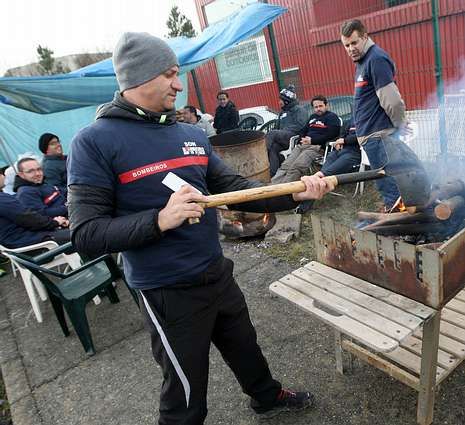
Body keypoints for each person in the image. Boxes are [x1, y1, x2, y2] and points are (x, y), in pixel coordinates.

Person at [67, 32, 334, 425]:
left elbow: (237, 191)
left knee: (245, 347)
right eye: (171, 74)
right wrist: (160, 220)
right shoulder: (94, 142)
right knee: (185, 392)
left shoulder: (191, 135)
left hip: (215, 272)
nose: (179, 84)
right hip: (166, 290)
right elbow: (86, 234)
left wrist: (294, 193)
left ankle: (266, 397)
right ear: (140, 77)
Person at [340, 19, 427, 212]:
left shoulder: (376, 59)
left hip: (380, 136)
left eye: (354, 43)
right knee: (386, 183)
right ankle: (403, 218)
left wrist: (400, 122)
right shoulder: (362, 62)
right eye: (346, 45)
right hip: (372, 137)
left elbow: (392, 99)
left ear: (365, 37)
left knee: (390, 187)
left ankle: (404, 228)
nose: (350, 49)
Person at [272, 95, 341, 185]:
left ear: (326, 106)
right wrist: (302, 139)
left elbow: (333, 134)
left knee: (297, 166)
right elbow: (303, 130)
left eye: (320, 106)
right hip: (303, 145)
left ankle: (285, 189)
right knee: (285, 165)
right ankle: (272, 186)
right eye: (316, 107)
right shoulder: (312, 117)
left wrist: (312, 141)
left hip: (317, 148)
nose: (318, 109)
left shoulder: (332, 117)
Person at [0, 169, 69, 248]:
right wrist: (55, 223)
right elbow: (29, 219)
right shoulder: (4, 199)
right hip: (31, 242)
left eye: (39, 169)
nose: (3, 176)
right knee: (81, 235)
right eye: (0, 174)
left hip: (20, 241)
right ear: (21, 174)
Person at [266, 85, 309, 176]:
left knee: (272, 134)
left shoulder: (299, 110)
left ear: (287, 100)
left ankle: (262, 152)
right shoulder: (282, 113)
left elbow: (300, 125)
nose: (279, 102)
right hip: (282, 139)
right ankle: (272, 175)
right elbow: (276, 128)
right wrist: (279, 132)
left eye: (280, 100)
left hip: (293, 138)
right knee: (273, 148)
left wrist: (283, 131)